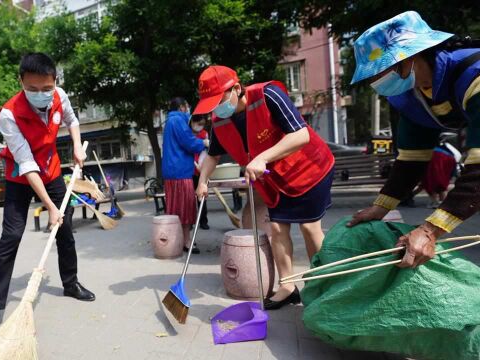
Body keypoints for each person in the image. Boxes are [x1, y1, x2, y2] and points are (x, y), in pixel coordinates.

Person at [0, 53, 94, 347]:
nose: (41, 94)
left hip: (50, 171)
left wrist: (77, 147)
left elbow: (73, 121)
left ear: (55, 82)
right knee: (11, 235)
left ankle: (71, 283)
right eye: (33, 89)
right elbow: (25, 163)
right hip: (20, 177)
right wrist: (49, 208)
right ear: (21, 81)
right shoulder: (9, 114)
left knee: (65, 230)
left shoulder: (60, 96)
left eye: (46, 88)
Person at [193, 65, 335, 310]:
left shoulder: (267, 95)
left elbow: (301, 135)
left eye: (220, 100)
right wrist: (203, 180)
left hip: (309, 169)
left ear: (237, 88)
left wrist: (262, 158)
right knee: (278, 230)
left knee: (310, 227)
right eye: (212, 104)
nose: (217, 108)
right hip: (274, 181)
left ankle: (324, 285)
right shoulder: (219, 120)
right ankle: (288, 287)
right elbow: (213, 156)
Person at [347, 11, 480, 268]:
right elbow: (410, 159)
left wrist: (430, 231)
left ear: (411, 57)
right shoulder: (412, 97)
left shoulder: (474, 75)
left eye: (380, 72)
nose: (377, 81)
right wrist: (381, 207)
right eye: (372, 77)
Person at [161, 97, 208, 254]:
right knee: (185, 208)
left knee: (174, 209)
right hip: (180, 172)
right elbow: (188, 142)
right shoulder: (178, 121)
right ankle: (186, 242)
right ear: (182, 107)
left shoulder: (170, 121)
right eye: (187, 106)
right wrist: (203, 143)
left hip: (171, 171)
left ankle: (177, 240)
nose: (188, 109)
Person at [413, 141, 459, 208]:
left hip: (435, 158)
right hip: (448, 158)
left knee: (431, 183)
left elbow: (423, 185)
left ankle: (435, 202)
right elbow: (421, 186)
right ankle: (443, 202)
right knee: (440, 184)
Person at [191, 114, 210, 230]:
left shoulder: (204, 134)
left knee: (202, 197)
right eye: (198, 123)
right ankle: (191, 222)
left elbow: (206, 152)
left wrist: (202, 166)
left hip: (201, 170)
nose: (200, 126)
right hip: (189, 170)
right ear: (193, 122)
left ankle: (203, 221)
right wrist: (193, 163)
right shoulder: (186, 133)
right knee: (190, 198)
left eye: (202, 124)